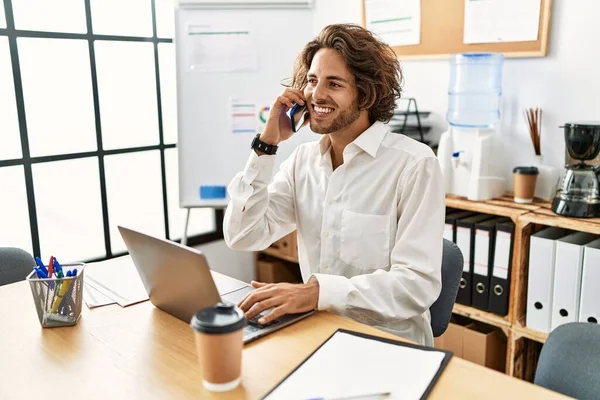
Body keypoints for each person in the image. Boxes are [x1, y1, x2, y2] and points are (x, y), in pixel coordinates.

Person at [223, 24, 445, 346]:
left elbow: (416, 285)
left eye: (334, 83)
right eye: (312, 81)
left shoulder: (414, 164)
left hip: (386, 343)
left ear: (366, 94)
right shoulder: (303, 161)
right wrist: (267, 143)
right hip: (317, 333)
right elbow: (242, 234)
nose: (316, 94)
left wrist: (316, 293)